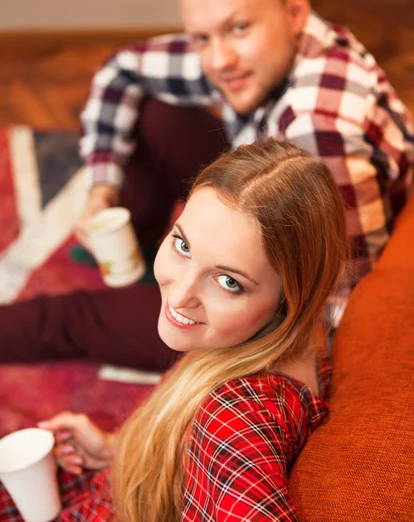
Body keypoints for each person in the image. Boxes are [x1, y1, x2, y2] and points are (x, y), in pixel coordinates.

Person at [0, 0, 413, 370]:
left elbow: (336, 310)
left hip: (265, 303)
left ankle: (128, 292)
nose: (218, 60)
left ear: (294, 11)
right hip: (255, 209)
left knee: (75, 317)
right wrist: (103, 186)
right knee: (159, 115)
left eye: (238, 27)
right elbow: (120, 69)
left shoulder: (319, 134)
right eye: (202, 37)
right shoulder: (274, 52)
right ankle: (132, 252)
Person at [0, 139, 347, 521]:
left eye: (229, 282)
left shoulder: (234, 418)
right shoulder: (291, 349)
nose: (180, 296)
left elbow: (233, 445)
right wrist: (117, 451)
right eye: (182, 245)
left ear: (288, 301)